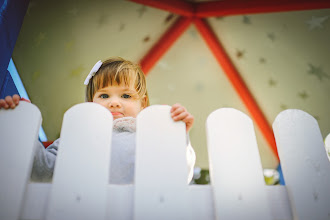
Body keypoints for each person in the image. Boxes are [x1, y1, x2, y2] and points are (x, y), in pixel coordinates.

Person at [0, 57, 196, 184]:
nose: (114, 103)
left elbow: (178, 174)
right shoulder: (76, 137)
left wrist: (179, 138)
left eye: (126, 96)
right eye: (104, 96)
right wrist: (19, 126)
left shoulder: (153, 137)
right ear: (90, 103)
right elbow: (41, 172)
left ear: (143, 104)